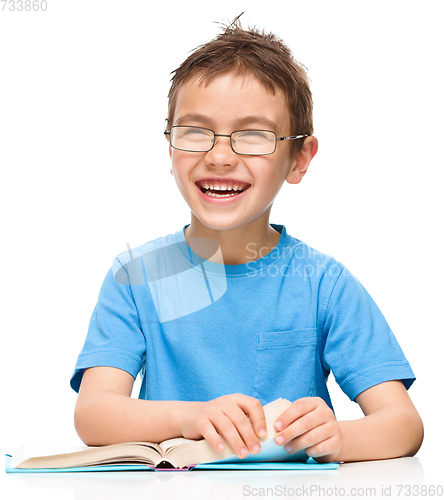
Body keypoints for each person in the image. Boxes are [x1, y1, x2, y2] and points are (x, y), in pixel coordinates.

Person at [71, 17, 423, 463]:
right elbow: (93, 414)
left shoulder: (323, 284)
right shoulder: (136, 277)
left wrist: (341, 438)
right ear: (170, 148)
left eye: (253, 135)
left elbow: (404, 425)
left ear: (299, 158)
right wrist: (192, 417)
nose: (219, 156)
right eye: (195, 131)